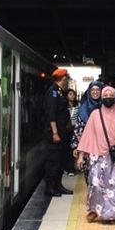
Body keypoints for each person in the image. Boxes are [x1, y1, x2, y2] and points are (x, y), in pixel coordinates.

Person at [74, 86, 115, 224]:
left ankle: (114, 215)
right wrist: (81, 156)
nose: (108, 97)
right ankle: (94, 211)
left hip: (114, 157)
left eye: (111, 94)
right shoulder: (95, 115)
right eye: (105, 95)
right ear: (101, 97)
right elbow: (86, 136)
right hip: (97, 156)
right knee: (96, 184)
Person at [43, 69, 74, 197]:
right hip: (55, 133)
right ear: (63, 78)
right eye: (66, 77)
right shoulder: (53, 92)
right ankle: (50, 187)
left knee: (60, 159)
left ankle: (58, 185)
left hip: (63, 132)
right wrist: (55, 133)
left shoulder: (60, 92)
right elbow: (51, 115)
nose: (67, 79)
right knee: (53, 160)